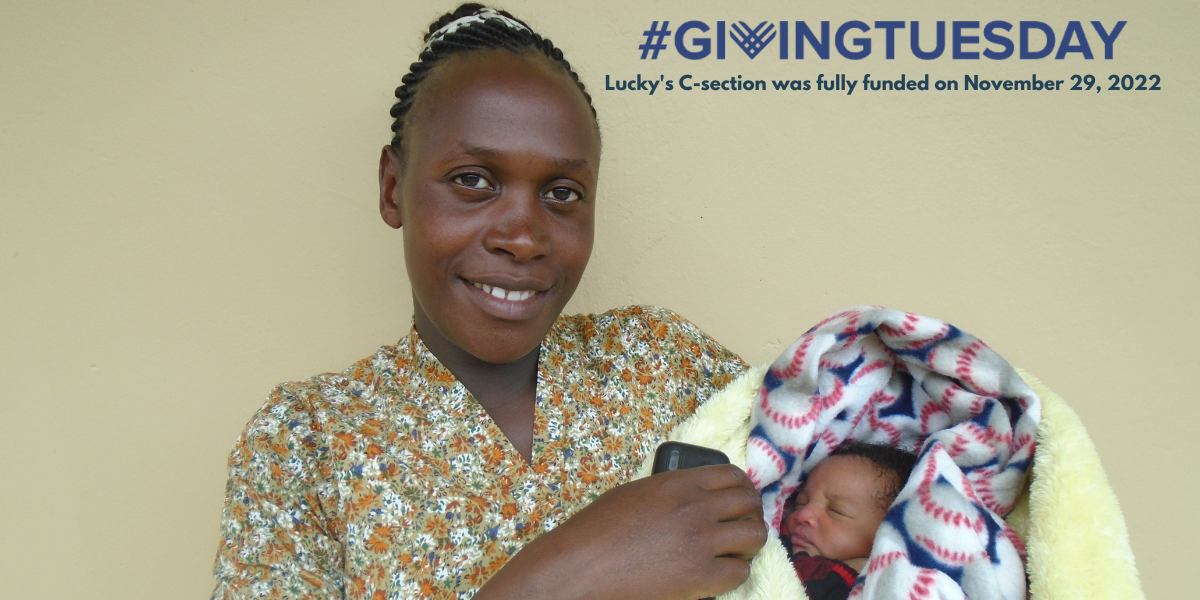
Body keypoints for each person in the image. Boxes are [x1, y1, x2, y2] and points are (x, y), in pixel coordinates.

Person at [211, 4, 768, 599]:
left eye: (562, 192)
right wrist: (579, 569)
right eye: (473, 180)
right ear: (393, 188)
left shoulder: (663, 361)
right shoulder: (307, 441)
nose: (523, 238)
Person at [780, 442, 918, 600]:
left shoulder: (887, 587)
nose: (803, 515)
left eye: (836, 511)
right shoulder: (774, 537)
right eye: (801, 502)